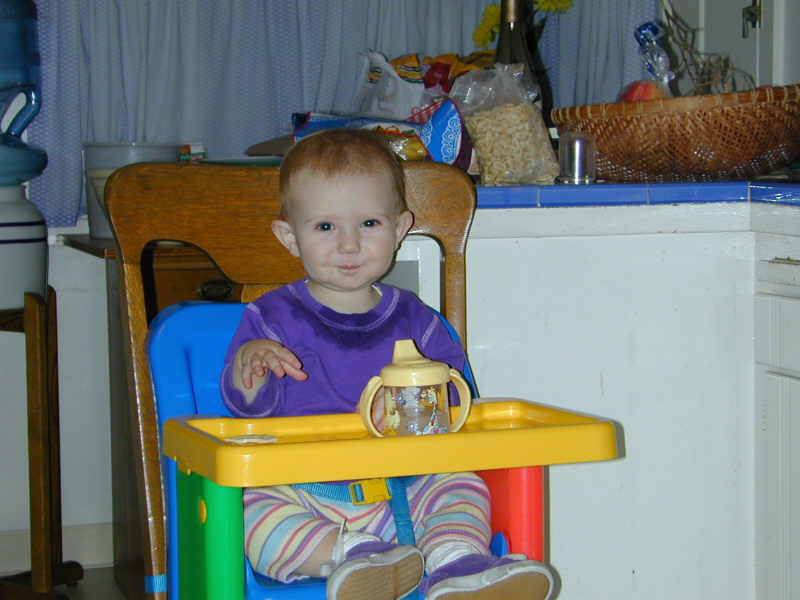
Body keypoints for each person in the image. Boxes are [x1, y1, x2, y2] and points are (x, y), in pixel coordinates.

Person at [219, 128, 553, 600]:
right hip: (303, 494)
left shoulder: (419, 321)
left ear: (399, 229)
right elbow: (244, 411)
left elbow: (461, 402)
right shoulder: (271, 318)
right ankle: (354, 559)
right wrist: (248, 369)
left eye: (369, 225)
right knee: (247, 510)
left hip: (403, 493)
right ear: (289, 237)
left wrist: (413, 410)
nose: (349, 245)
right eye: (325, 227)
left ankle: (456, 565)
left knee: (461, 484)